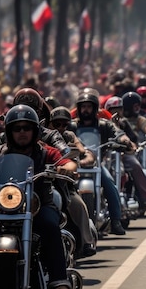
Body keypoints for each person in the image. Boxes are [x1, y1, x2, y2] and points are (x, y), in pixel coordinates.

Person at [0, 105, 76, 289]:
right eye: (17, 128)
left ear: (35, 131)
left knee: (50, 225)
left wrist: (66, 168)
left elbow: (67, 162)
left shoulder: (46, 151)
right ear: (9, 131)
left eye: (27, 128)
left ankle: (58, 277)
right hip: (1, 205)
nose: (22, 132)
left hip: (37, 205)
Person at [71, 91, 129, 235]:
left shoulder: (103, 125)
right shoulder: (72, 126)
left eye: (88, 107)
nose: (85, 110)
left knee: (110, 183)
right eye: (83, 107)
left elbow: (117, 133)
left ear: (95, 108)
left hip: (96, 164)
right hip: (75, 164)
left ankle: (116, 220)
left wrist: (123, 140)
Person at [48, 107, 97, 258]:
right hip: (44, 183)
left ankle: (87, 241)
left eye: (65, 124)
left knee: (79, 205)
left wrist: (80, 153)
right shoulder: (44, 136)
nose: (61, 128)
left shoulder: (69, 136)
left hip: (64, 184)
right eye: (57, 124)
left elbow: (81, 149)